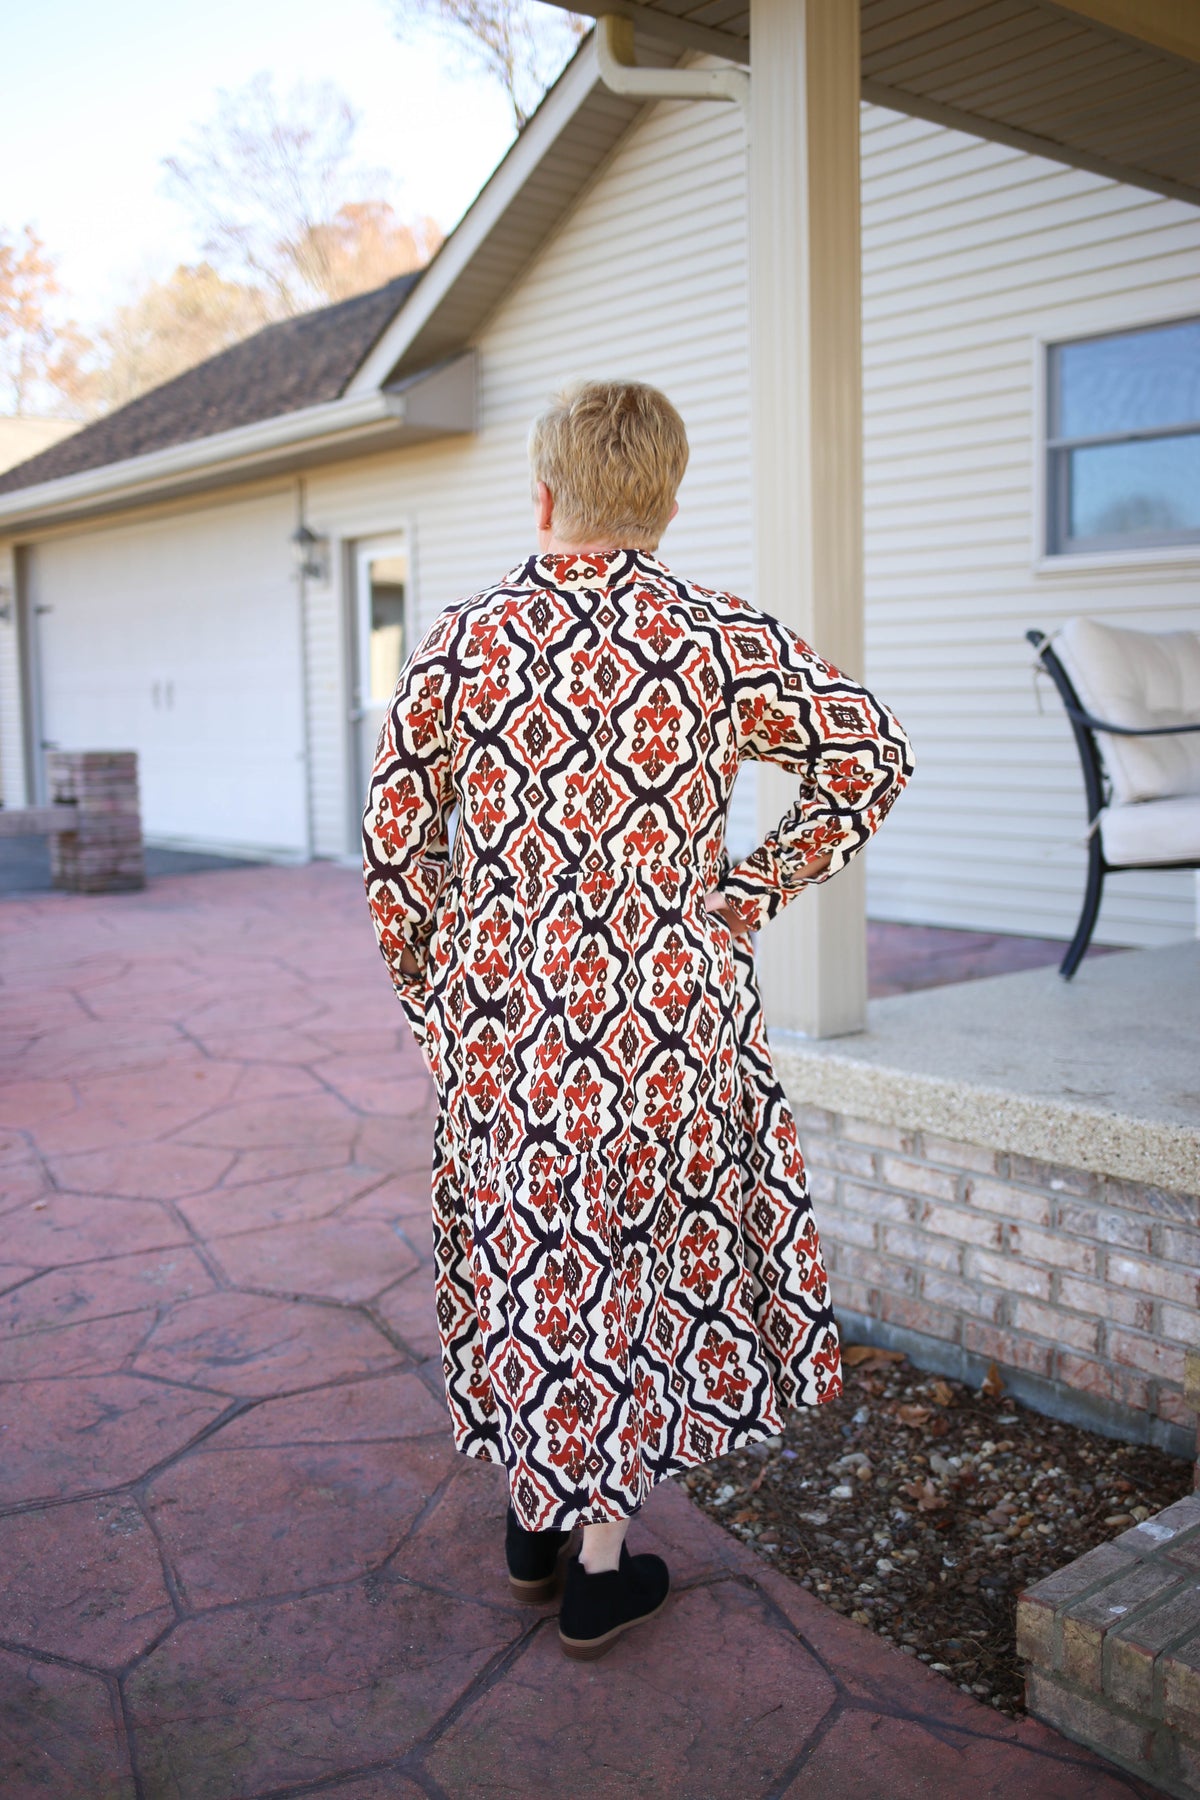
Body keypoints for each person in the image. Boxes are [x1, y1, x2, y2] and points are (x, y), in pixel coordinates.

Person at [363, 379, 913, 1660]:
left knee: (534, 1250)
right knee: (635, 1261)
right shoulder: (719, 632)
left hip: (513, 1010)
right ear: (666, 500)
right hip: (674, 1009)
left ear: (543, 493)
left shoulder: (458, 641)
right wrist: (747, 889)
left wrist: (438, 1008)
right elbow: (869, 756)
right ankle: (599, 1564)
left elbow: (398, 859)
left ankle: (534, 1523)